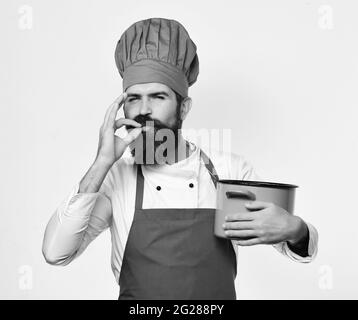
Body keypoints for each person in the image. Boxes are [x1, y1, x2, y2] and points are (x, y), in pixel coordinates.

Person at [42, 17, 318, 300]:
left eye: (158, 97)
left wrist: (294, 229)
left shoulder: (226, 169)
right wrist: (101, 162)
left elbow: (298, 244)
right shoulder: (116, 177)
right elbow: (56, 252)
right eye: (133, 98)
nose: (144, 110)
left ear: (184, 108)